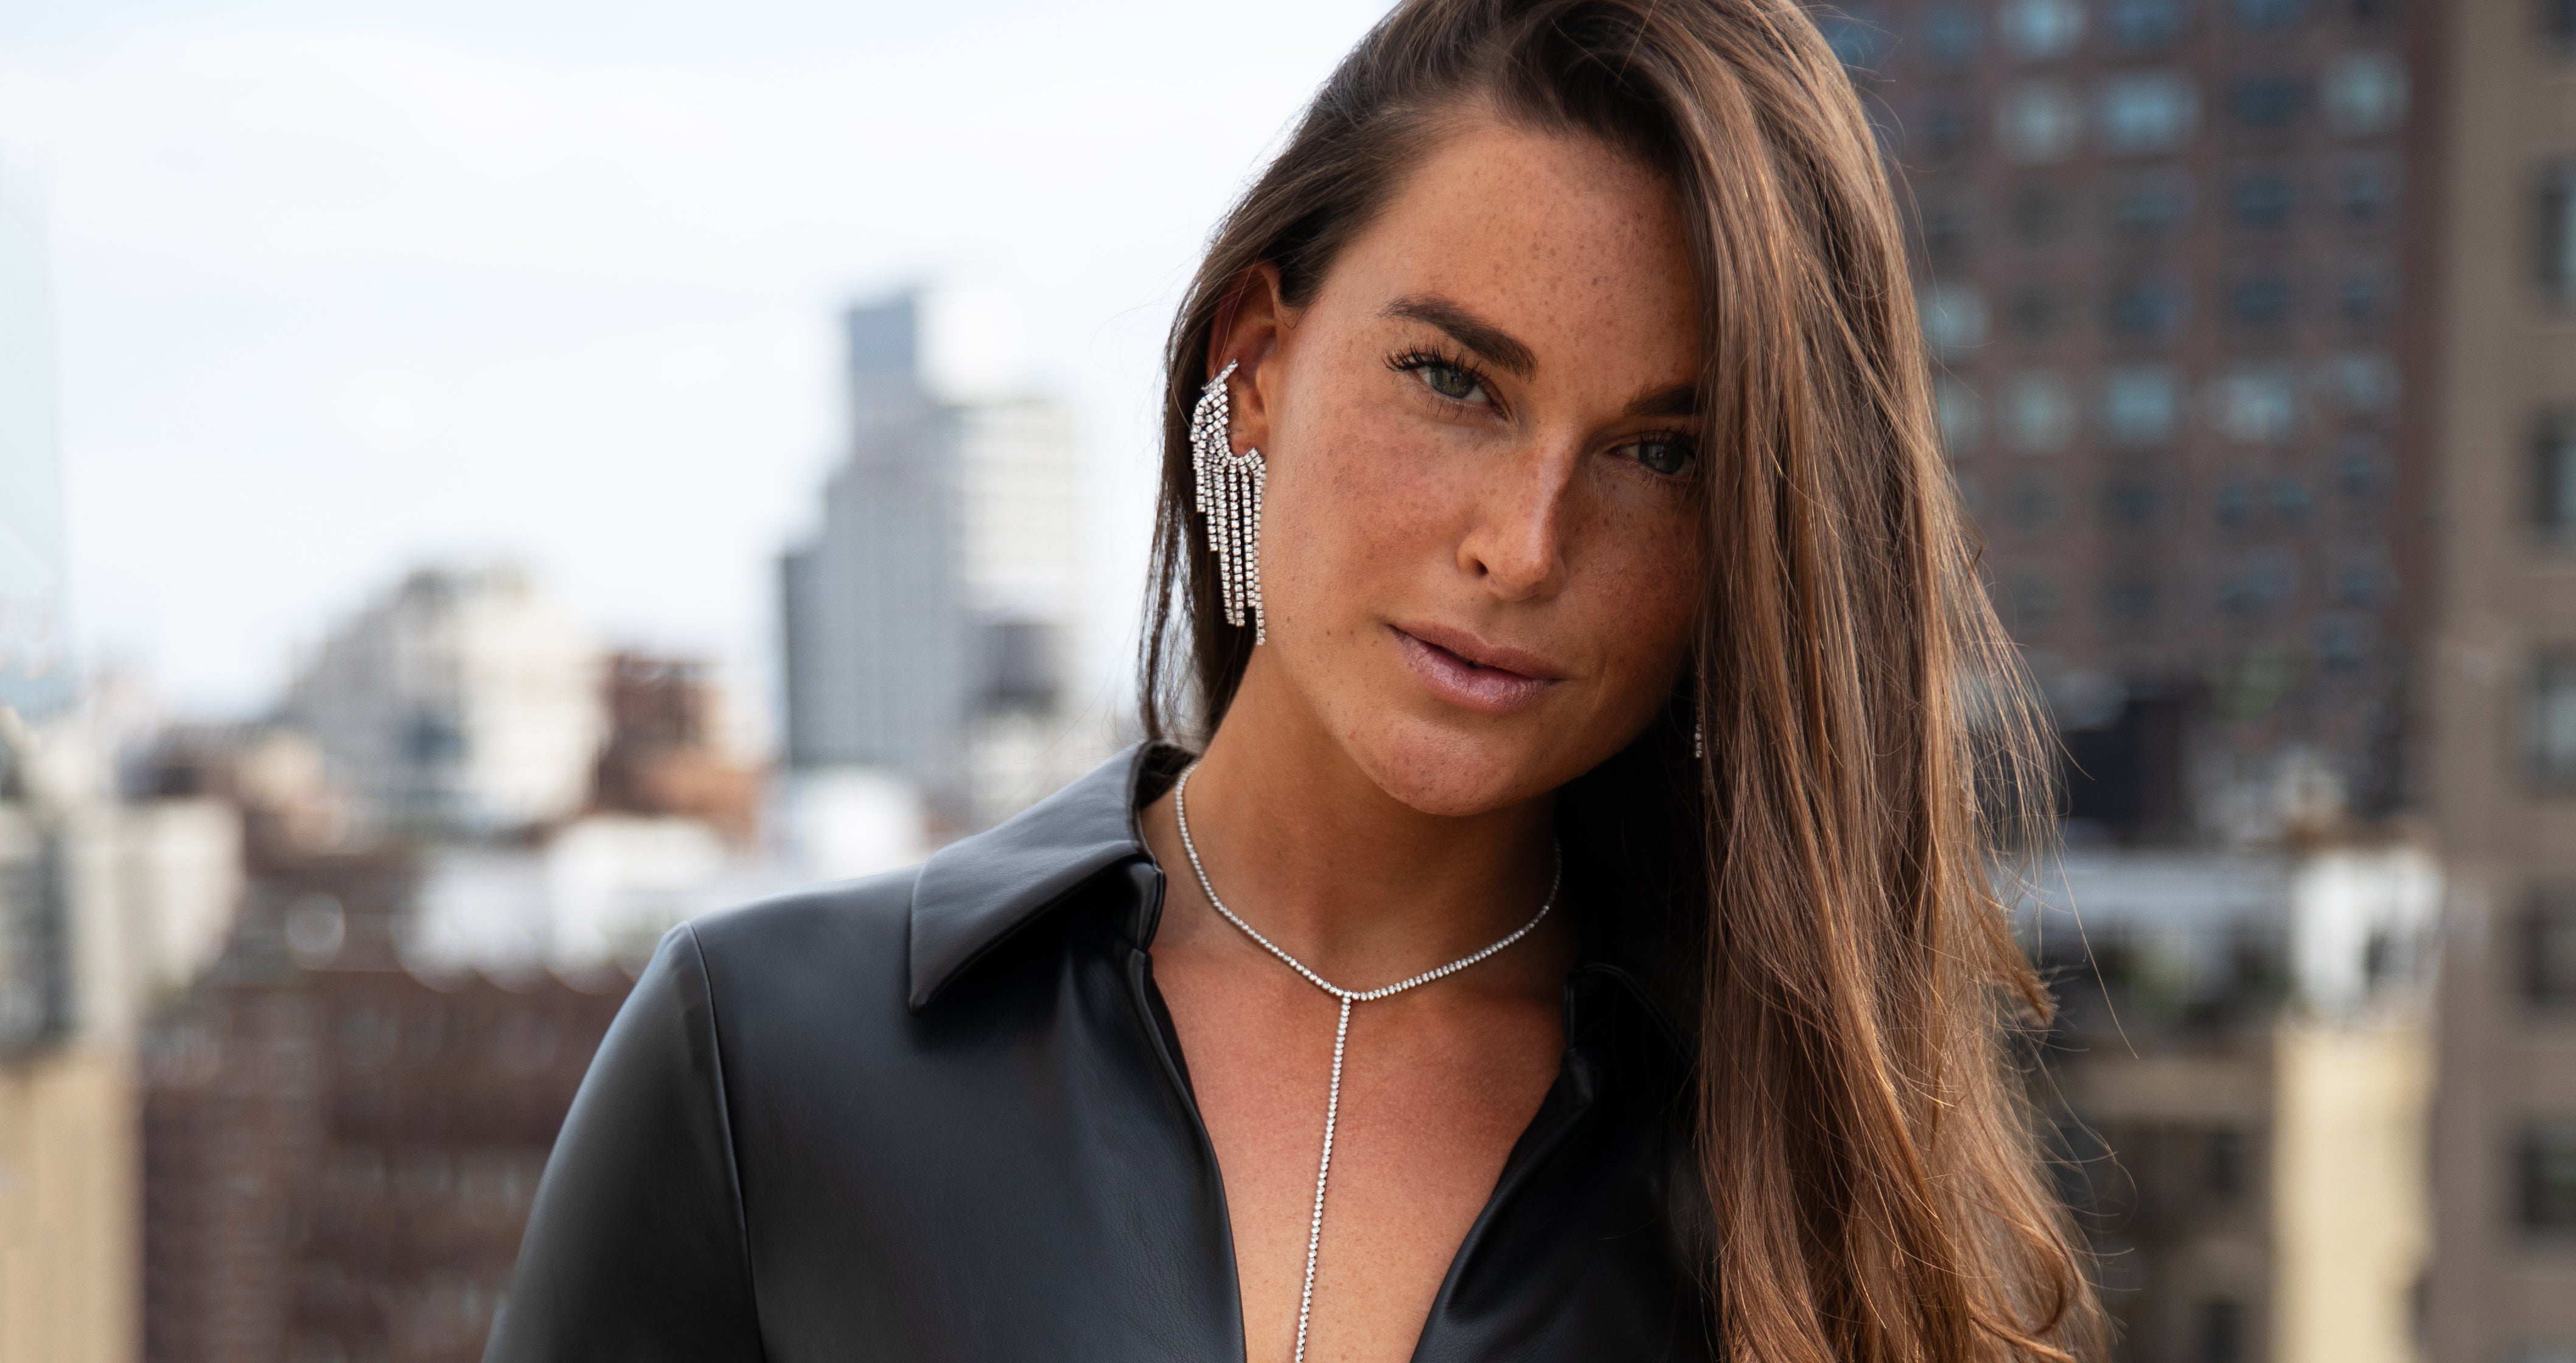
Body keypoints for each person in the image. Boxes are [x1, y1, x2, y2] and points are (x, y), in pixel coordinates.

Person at [486, 1, 2100, 1359]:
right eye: (1452, 380)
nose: (1525, 546)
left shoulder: (1816, 1183)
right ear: (1256, 362)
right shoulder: (767, 1053)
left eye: (1664, 453)